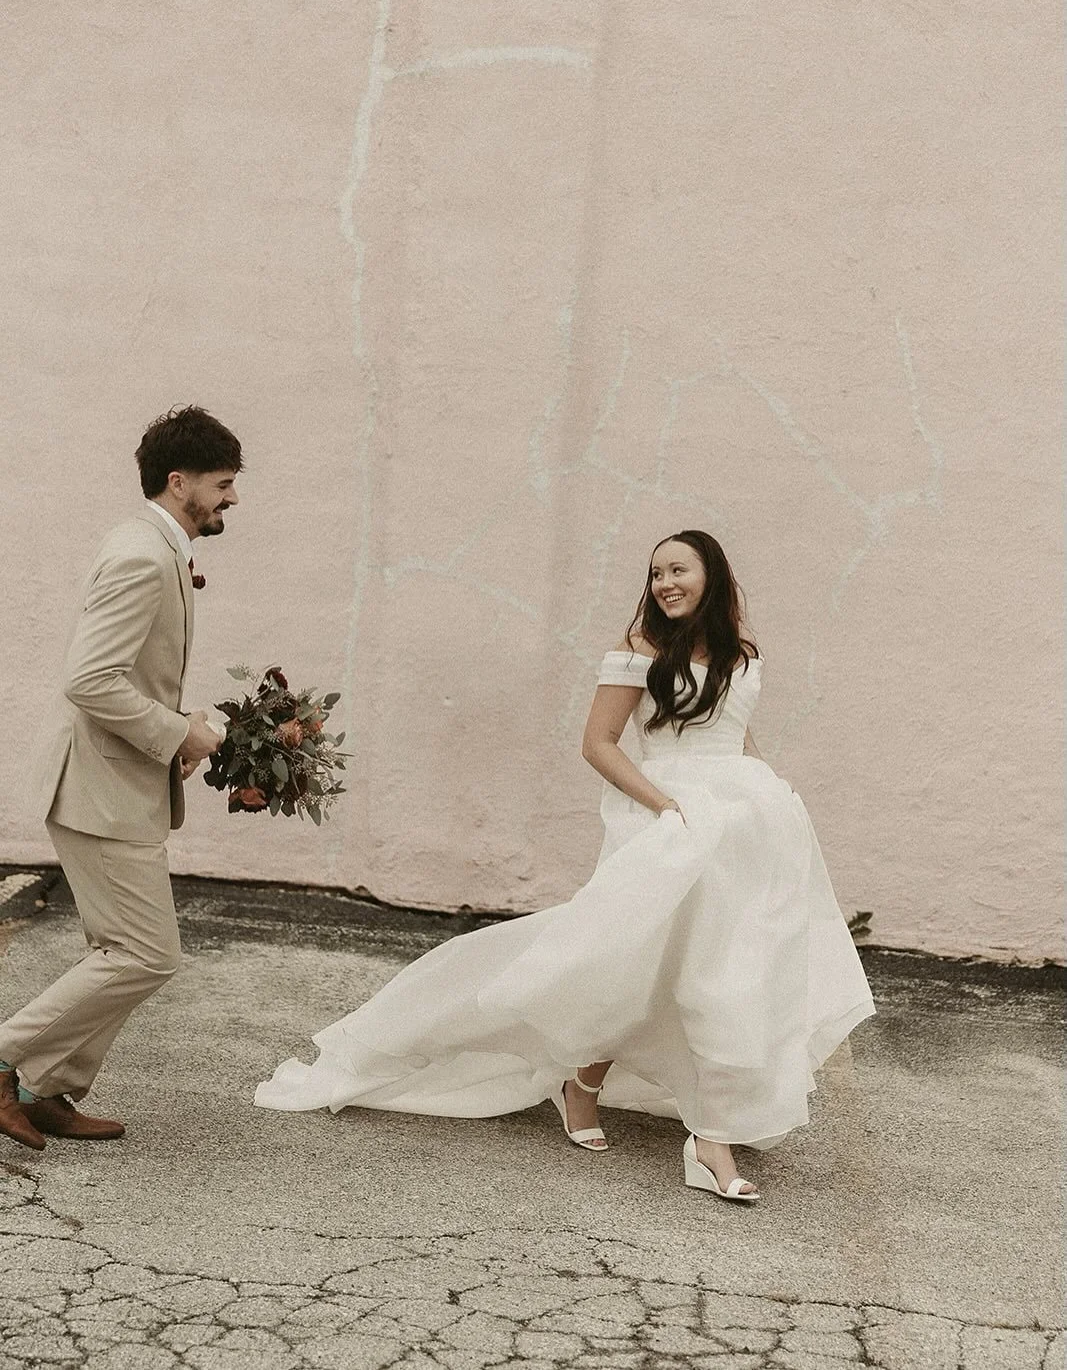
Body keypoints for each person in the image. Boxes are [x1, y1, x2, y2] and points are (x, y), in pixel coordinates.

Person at [255, 530, 874, 1201]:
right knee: (628, 963)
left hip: (741, 824)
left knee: (720, 972)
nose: (665, 583)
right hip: (669, 820)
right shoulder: (639, 650)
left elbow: (736, 736)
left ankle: (700, 1129)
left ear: (712, 575)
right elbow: (598, 744)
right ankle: (597, 1091)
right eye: (656, 573)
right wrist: (666, 808)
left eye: (679, 570)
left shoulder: (742, 654)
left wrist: (770, 798)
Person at [0, 406, 241, 1150]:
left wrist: (181, 728)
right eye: (222, 484)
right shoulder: (143, 554)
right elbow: (91, 679)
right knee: (144, 954)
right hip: (97, 790)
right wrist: (176, 733)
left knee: (118, 949)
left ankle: (46, 1089)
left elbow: (126, 676)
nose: (232, 498)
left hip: (113, 784)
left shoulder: (155, 544)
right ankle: (7, 1060)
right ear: (179, 482)